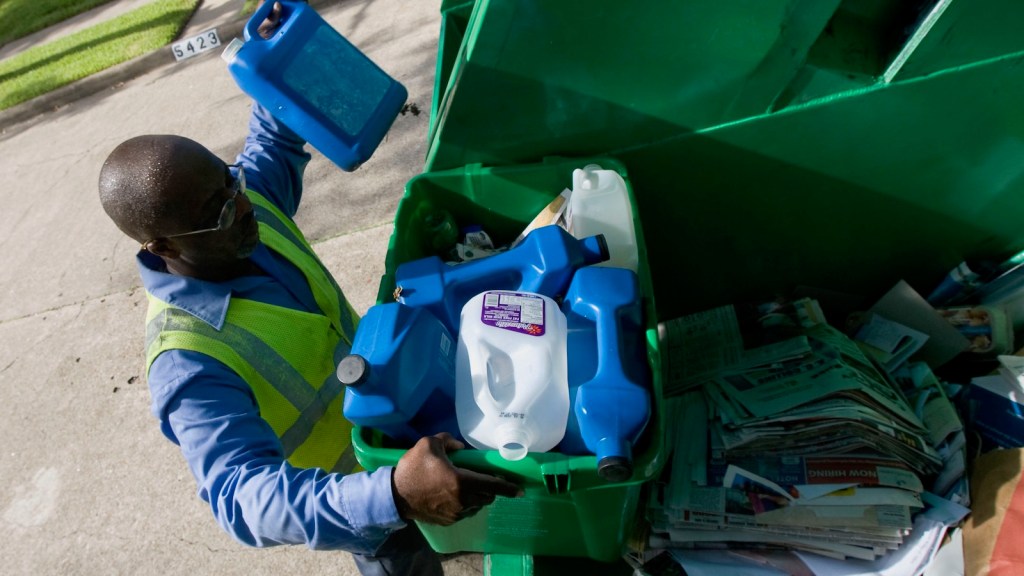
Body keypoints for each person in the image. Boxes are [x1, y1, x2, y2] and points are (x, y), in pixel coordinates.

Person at [96, 5, 520, 574]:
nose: (243, 205)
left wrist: (278, 58)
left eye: (230, 181)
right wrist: (391, 495)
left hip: (409, 423)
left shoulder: (244, 204)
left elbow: (271, 138)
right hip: (366, 502)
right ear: (164, 248)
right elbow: (240, 496)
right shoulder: (188, 363)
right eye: (217, 209)